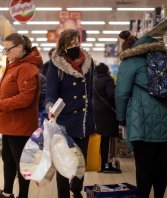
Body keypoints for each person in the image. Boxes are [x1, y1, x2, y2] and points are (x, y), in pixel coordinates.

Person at [115, 30, 167, 198]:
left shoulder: (130, 61)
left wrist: (121, 118)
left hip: (143, 122)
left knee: (144, 166)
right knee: (160, 163)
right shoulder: (165, 57)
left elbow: (121, 93)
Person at [45, 29, 95, 198]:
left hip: (84, 121)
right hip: (64, 122)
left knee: (80, 163)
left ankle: (76, 190)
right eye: (70, 43)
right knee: (63, 164)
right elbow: (50, 94)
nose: (74, 46)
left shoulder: (88, 62)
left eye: (76, 42)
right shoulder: (56, 64)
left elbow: (91, 93)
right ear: (63, 45)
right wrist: (50, 107)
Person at [0, 33, 42, 198]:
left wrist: (0, 106)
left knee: (22, 163)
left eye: (8, 50)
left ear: (20, 48)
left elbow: (25, 98)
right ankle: (7, 193)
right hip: (10, 124)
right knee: (8, 159)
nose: (6, 53)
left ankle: (23, 195)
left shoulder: (27, 67)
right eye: (4, 50)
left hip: (20, 125)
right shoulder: (15, 64)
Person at [93, 63, 121, 173]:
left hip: (98, 111)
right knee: (108, 139)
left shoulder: (95, 81)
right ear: (106, 71)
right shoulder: (108, 80)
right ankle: (107, 165)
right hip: (108, 112)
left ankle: (102, 163)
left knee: (103, 139)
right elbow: (111, 95)